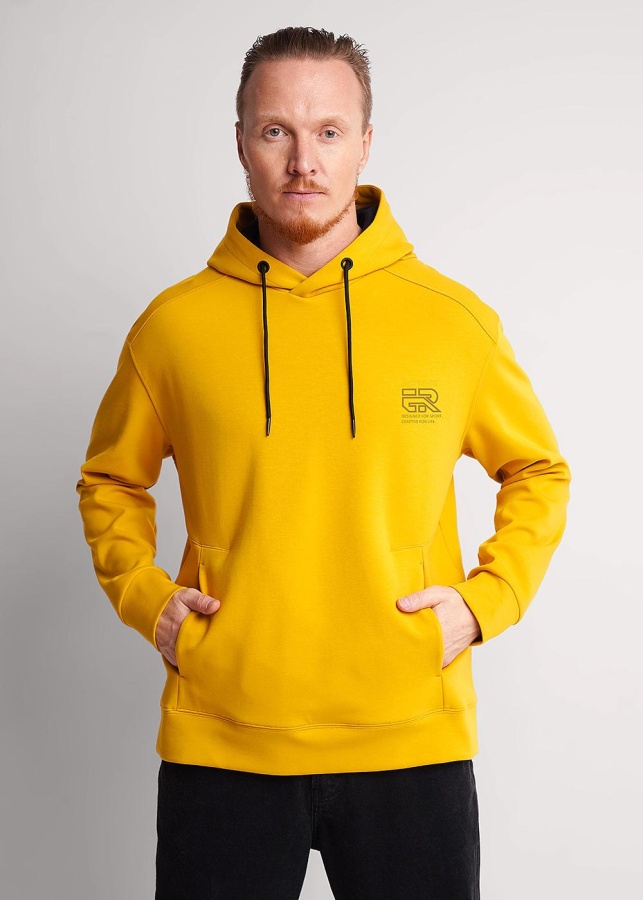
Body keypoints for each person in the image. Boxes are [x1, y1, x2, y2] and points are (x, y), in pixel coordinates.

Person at [76, 25, 571, 900]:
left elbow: (537, 471)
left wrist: (483, 603)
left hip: (410, 740)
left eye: (328, 131)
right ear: (240, 142)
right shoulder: (172, 329)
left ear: (365, 142)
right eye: (276, 131)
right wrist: (149, 601)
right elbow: (110, 481)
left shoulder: (451, 322)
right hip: (223, 743)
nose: (303, 161)